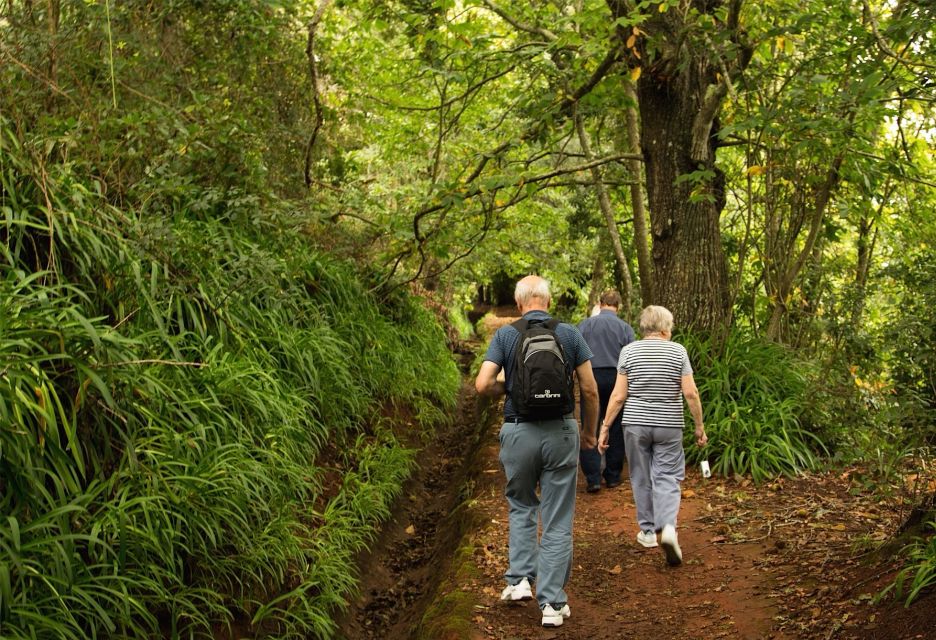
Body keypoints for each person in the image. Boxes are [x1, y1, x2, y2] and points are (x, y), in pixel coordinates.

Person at [475, 275, 600, 628]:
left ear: (519, 304)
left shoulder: (507, 334)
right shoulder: (570, 333)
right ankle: (552, 604)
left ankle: (518, 583)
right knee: (557, 518)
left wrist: (511, 389)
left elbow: (482, 384)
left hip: (519, 431)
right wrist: (588, 434)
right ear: (549, 300)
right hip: (562, 431)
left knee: (521, 504)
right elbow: (589, 389)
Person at [598, 305, 707, 566]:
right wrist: (699, 426)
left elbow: (619, 395)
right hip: (669, 424)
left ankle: (647, 531)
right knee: (667, 476)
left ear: (643, 328)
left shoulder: (629, 351)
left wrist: (605, 426)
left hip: (635, 423)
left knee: (640, 474)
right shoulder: (678, 351)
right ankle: (667, 527)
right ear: (665, 329)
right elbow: (690, 393)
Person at [576, 290, 635, 493]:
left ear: (600, 304)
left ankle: (592, 477)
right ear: (618, 306)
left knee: (589, 423)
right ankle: (612, 475)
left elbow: (574, 351)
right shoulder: (625, 328)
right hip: (617, 378)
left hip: (589, 377)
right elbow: (632, 359)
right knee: (615, 424)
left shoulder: (584, 325)